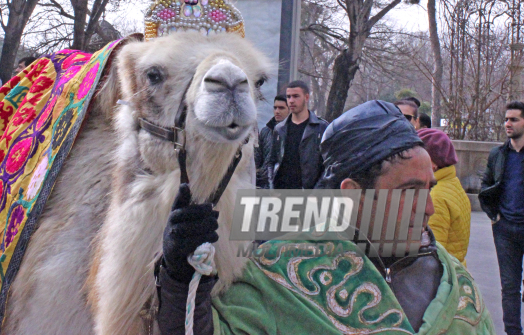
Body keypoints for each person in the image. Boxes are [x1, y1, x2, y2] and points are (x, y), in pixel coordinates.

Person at [157, 100, 495, 335]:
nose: (429, 208)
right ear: (352, 193)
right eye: (409, 191)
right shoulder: (277, 276)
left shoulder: (457, 285)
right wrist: (180, 278)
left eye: (428, 189)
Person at [480, 101, 524, 335]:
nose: (508, 123)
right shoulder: (498, 154)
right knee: (509, 288)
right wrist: (494, 216)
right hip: (505, 229)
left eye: (514, 119)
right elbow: (486, 185)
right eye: (506, 119)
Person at [418, 128, 471, 265]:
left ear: (432, 163)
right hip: (456, 268)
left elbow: (432, 254)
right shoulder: (452, 183)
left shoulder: (435, 196)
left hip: (444, 277)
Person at [267, 81, 328, 190]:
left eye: (295, 96)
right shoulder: (280, 129)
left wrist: (317, 193)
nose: (291, 101)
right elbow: (272, 162)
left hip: (308, 196)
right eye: (288, 97)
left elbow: (328, 165)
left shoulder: (320, 128)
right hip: (282, 195)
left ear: (306, 97)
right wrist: (272, 188)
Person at [255, 95, 288, 188]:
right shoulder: (265, 131)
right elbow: (257, 159)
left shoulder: (295, 132)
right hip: (263, 185)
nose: (277, 111)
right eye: (275, 108)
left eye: (281, 108)